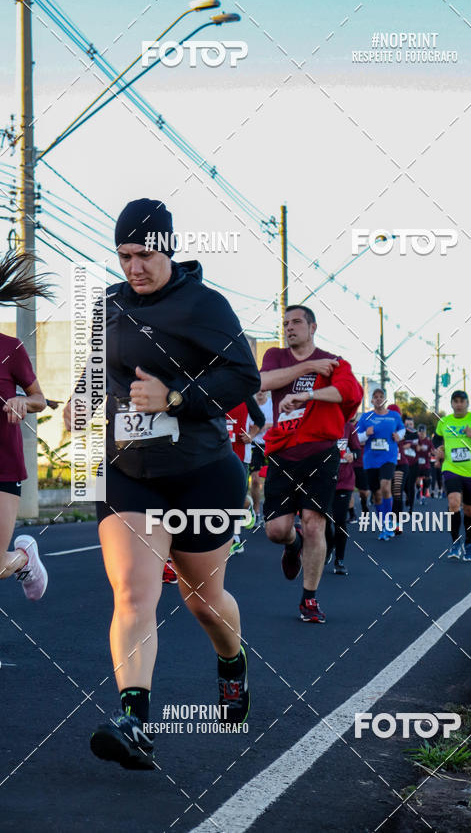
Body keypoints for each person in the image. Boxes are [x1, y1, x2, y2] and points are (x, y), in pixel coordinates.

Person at [64, 199, 260, 770]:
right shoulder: (108, 306)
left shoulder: (204, 304)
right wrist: (82, 400)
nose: (134, 267)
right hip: (128, 474)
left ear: (168, 248)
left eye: (144, 255)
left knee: (203, 601)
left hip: (201, 473)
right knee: (133, 591)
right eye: (124, 255)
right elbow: (96, 371)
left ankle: (232, 663)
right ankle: (135, 720)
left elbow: (243, 376)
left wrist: (175, 396)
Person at [259, 305, 362, 623]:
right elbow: (263, 381)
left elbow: (349, 391)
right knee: (277, 530)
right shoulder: (276, 356)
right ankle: (294, 545)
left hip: (321, 451)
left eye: (296, 322)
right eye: (285, 323)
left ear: (313, 327)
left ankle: (309, 599)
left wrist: (308, 395)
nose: (289, 327)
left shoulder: (334, 361)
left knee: (315, 523)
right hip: (283, 452)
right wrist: (309, 367)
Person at [0, 250, 51, 598]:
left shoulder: (11, 349)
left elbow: (40, 399)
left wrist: (23, 401)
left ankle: (23, 558)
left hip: (3, 466)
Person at [433, 390, 471, 562]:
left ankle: (468, 543)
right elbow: (436, 438)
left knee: (469, 510)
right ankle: (455, 542)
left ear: (467, 403)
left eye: (462, 401)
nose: (459, 404)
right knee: (453, 503)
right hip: (451, 468)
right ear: (451, 404)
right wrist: (439, 448)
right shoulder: (444, 421)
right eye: (455, 401)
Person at [357, 390, 405, 541]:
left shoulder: (394, 416)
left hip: (388, 457)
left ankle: (389, 522)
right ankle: (384, 524)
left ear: (385, 399)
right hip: (371, 460)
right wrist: (366, 434)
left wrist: (399, 436)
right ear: (372, 401)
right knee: (377, 495)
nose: (378, 399)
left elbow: (402, 429)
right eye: (375, 397)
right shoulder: (365, 417)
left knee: (385, 486)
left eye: (381, 397)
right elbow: (356, 438)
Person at [225, 396, 265, 555]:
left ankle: (247, 508)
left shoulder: (245, 396)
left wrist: (251, 434)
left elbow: (260, 419)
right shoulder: (213, 395)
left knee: (235, 498)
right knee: (220, 497)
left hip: (240, 455)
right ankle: (234, 539)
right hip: (216, 455)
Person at [324, 418, 361, 574]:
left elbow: (358, 450)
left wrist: (353, 455)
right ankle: (329, 544)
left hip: (344, 481)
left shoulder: (349, 427)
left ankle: (339, 561)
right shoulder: (323, 424)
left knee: (340, 521)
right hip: (325, 481)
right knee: (324, 521)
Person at [249, 390, 272, 521]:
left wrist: (266, 425)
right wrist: (254, 428)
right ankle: (256, 512)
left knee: (271, 480)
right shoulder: (250, 404)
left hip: (270, 445)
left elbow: (279, 422)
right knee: (255, 480)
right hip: (255, 445)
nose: (260, 392)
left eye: (263, 390)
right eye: (258, 389)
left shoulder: (271, 404)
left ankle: (270, 512)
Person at [415, 424, 433, 504]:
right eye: (420, 432)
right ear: (418, 432)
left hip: (426, 464)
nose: (422, 434)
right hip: (417, 465)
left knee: (427, 480)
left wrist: (431, 453)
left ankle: (423, 497)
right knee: (417, 481)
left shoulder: (428, 441)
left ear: (425, 432)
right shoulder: (415, 441)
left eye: (423, 432)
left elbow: (432, 450)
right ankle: (419, 489)